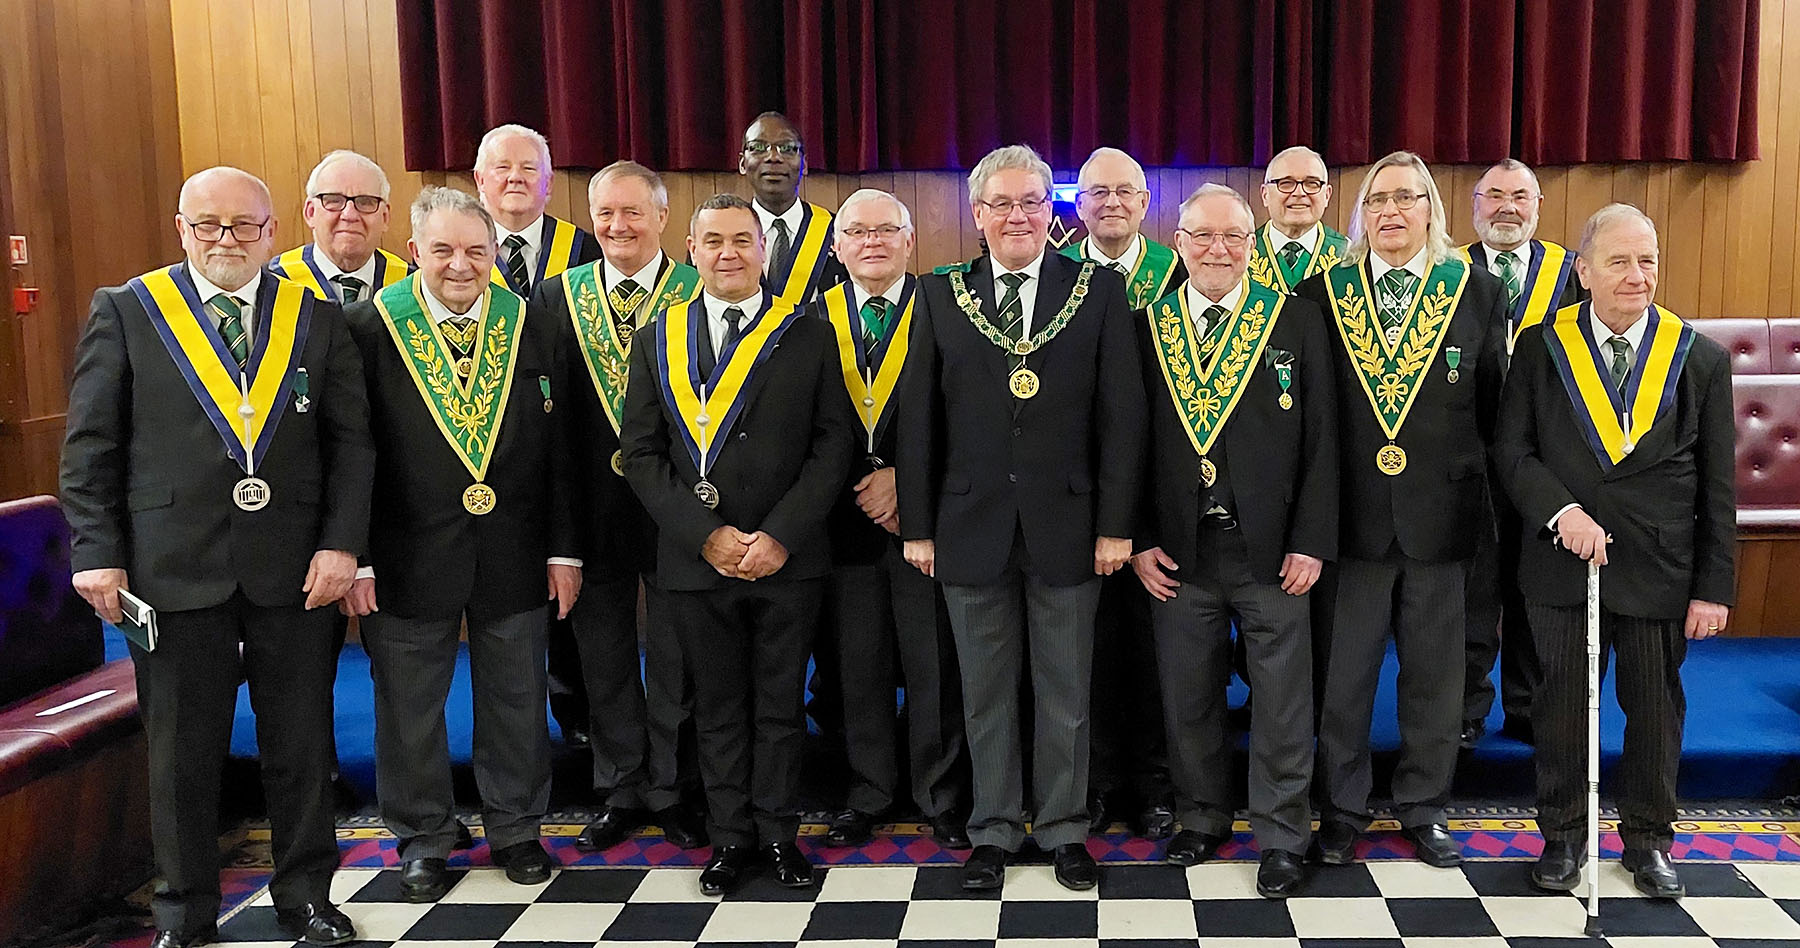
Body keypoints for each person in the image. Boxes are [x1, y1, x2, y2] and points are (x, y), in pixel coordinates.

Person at [61, 166, 372, 947]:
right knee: (179, 755)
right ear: (181, 229)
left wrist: (343, 545)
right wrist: (96, 553)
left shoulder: (315, 314)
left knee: (301, 746)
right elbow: (91, 446)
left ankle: (306, 900)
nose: (226, 240)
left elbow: (351, 445)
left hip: (297, 568)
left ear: (274, 232)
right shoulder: (129, 311)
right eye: (208, 225)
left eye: (243, 226)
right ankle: (185, 912)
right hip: (169, 571)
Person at [897, 144, 1146, 893]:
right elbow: (920, 421)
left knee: (1067, 691)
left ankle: (1066, 828)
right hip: (968, 526)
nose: (1016, 216)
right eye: (1000, 204)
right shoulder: (942, 295)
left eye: (1031, 202)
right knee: (985, 691)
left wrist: (1116, 525)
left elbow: (1122, 417)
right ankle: (995, 830)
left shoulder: (1096, 290)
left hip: (1071, 526)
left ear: (1053, 210)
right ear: (976, 215)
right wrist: (917, 525)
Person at [341, 187, 577, 902]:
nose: (460, 265)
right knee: (408, 706)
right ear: (414, 252)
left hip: (515, 546)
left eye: (475, 250)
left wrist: (564, 550)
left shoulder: (533, 325)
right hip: (405, 553)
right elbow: (353, 453)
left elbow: (562, 447)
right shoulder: (369, 329)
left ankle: (515, 828)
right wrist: (359, 555)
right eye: (442, 250)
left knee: (516, 695)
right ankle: (423, 837)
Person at [619, 193, 855, 896]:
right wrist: (707, 536)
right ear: (691, 250)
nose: (728, 254)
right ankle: (730, 839)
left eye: (742, 241)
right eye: (714, 241)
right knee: (716, 708)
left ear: (763, 251)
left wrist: (780, 535)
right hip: (696, 561)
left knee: (779, 706)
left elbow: (832, 444)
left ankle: (779, 836)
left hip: (788, 559)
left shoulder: (807, 333)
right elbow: (641, 456)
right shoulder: (657, 336)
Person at [1497, 203, 1734, 900]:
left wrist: (1713, 587)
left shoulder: (1700, 358)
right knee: (1564, 704)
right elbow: (1511, 453)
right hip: (1562, 560)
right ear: (1585, 270)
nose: (1637, 277)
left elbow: (1717, 485)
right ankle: (1565, 836)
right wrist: (1560, 511)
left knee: (1655, 707)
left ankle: (1649, 841)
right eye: (1621, 261)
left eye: (1648, 261)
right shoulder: (1541, 350)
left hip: (1662, 566)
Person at [1294, 150, 1507, 869]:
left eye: (1406, 198)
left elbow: (1492, 408)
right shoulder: (1324, 294)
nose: (1392, 211)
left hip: (1442, 518)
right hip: (1352, 522)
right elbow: (1315, 422)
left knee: (1435, 680)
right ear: (1359, 215)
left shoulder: (1474, 292)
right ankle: (1343, 809)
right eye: (1378, 199)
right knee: (1343, 680)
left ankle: (1424, 806)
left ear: (1430, 211)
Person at [1132, 184, 1337, 898]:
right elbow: (1127, 444)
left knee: (1283, 701)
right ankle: (1202, 816)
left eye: (1234, 237)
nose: (1219, 250)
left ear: (1253, 243)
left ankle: (1282, 835)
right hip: (1180, 553)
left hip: (1274, 551)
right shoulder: (1146, 325)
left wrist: (1312, 540)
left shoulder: (1296, 321)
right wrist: (1137, 540)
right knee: (1188, 695)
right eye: (1203, 236)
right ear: (1179, 243)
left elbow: (1322, 444)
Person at [531, 161, 709, 852]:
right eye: (605, 213)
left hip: (678, 511)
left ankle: (674, 787)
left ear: (663, 218)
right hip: (592, 513)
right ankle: (621, 787)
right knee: (600, 657)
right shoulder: (555, 298)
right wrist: (559, 537)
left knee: (678, 659)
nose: (617, 226)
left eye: (633, 212)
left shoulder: (698, 291)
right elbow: (548, 426)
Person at [815, 188, 970, 850]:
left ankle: (941, 792)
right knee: (859, 664)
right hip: (843, 520)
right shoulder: (808, 319)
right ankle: (870, 790)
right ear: (837, 246)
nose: (872, 240)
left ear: (912, 240)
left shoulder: (947, 307)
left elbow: (969, 412)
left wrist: (910, 479)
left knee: (934, 660)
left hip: (926, 516)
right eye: (857, 230)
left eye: (887, 229)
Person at [1061, 146, 1183, 837]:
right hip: (1084, 501)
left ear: (1145, 203)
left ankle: (1160, 784)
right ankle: (1099, 783)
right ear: (1078, 207)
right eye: (1096, 192)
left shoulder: (1178, 273)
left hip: (1166, 497)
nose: (1110, 202)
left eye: (1125, 192)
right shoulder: (1062, 281)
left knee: (1163, 652)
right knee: (1093, 653)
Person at [471, 123, 602, 746]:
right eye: (502, 169)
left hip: (570, 448)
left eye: (529, 169)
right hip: (483, 455)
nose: (515, 179)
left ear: (550, 185)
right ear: (479, 182)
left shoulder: (587, 252)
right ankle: (514, 738)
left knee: (571, 595)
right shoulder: (460, 252)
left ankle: (580, 720)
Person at [1458, 158, 1586, 747]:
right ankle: (1465, 707)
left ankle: (1529, 706)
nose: (1507, 207)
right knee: (1474, 588)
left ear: (1537, 205)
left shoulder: (1570, 272)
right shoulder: (1448, 270)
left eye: (1520, 196)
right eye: (1495, 196)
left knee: (1532, 583)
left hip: (1543, 456)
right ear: (1475, 204)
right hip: (1469, 455)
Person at [270, 150, 411, 305]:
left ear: (385, 217)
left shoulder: (410, 286)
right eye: (334, 200)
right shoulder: (273, 283)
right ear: (310, 212)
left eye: (365, 202)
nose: (349, 215)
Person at [737, 111, 847, 305]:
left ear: (804, 165)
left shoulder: (838, 231)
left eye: (787, 148)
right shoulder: (718, 235)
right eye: (758, 147)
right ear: (743, 163)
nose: (773, 157)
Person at [1249, 146, 1348, 294]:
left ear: (1327, 195)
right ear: (1265, 195)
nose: (1299, 193)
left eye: (1312, 183)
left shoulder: (1348, 254)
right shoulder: (1243, 252)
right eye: (1286, 183)